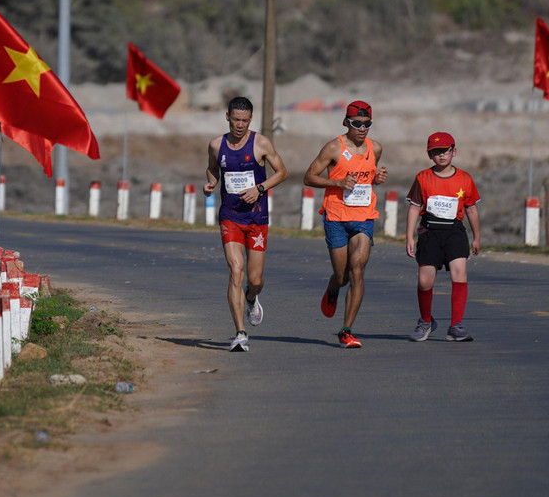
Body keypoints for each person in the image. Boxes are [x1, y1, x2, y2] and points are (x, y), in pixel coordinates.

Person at [203, 96, 288, 352]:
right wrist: (210, 183)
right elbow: (212, 169)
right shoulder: (216, 145)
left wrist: (259, 188)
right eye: (236, 119)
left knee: (255, 279)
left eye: (245, 120)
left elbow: (282, 172)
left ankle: (252, 298)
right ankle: (240, 333)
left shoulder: (260, 143)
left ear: (251, 120)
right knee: (235, 271)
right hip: (230, 216)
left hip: (257, 217)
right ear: (227, 117)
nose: (240, 125)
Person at [303, 100, 388, 348]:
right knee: (342, 277)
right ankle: (333, 289)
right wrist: (337, 183)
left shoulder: (376, 148)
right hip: (336, 217)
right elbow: (309, 177)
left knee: (357, 270)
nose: (362, 128)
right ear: (346, 122)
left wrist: (377, 179)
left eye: (367, 124)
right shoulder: (333, 148)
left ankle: (346, 330)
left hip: (363, 217)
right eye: (356, 123)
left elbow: (368, 177)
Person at [405, 132, 482, 342]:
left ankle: (456, 325)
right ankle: (426, 321)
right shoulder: (423, 177)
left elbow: (472, 209)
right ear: (430, 155)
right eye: (435, 152)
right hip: (430, 233)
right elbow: (414, 208)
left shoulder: (465, 179)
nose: (441, 156)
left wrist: (477, 237)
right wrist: (409, 237)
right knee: (424, 281)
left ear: (453, 152)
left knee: (460, 273)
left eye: (445, 151)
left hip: (454, 233)